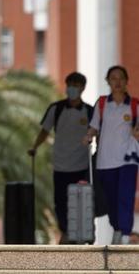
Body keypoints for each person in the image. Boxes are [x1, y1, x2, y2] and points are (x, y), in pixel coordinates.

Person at [28, 72, 93, 244]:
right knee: (60, 203)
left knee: (81, 201)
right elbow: (45, 131)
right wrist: (34, 147)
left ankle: (79, 235)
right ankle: (66, 233)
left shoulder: (89, 111)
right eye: (70, 84)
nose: (72, 88)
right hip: (60, 166)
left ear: (83, 88)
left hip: (82, 166)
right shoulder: (56, 109)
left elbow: (97, 132)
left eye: (76, 85)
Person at [84, 65, 139, 244]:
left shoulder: (134, 105)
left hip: (128, 159)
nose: (117, 81)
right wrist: (88, 136)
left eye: (121, 78)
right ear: (107, 81)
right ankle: (117, 227)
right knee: (111, 198)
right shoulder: (101, 103)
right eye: (113, 78)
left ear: (126, 81)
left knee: (126, 195)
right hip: (105, 160)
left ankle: (124, 233)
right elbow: (94, 126)